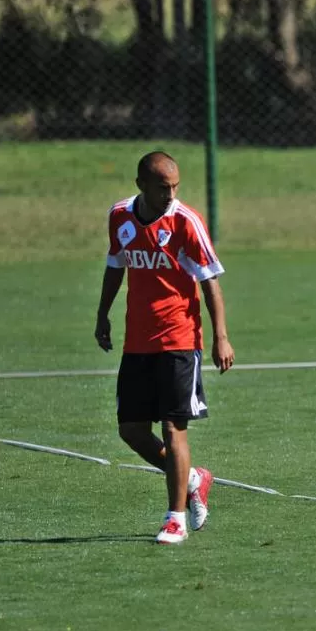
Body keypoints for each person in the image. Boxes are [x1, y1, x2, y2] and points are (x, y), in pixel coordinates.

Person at [94, 151, 235, 545]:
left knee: (174, 428)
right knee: (131, 431)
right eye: (162, 187)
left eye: (175, 186)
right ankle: (191, 478)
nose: (170, 194)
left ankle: (176, 519)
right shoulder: (120, 216)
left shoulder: (185, 221)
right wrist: (102, 314)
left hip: (179, 339)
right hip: (137, 340)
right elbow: (115, 265)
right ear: (141, 184)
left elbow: (210, 282)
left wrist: (221, 337)